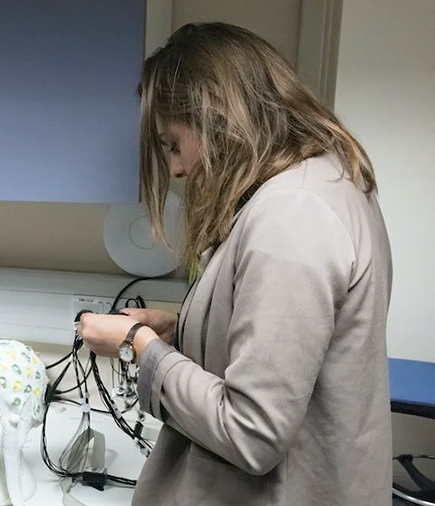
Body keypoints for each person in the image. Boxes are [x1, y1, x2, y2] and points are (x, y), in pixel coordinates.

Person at [78, 23, 392, 506]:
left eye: (172, 143)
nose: (177, 169)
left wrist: (139, 348)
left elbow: (252, 432)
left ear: (216, 117)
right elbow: (290, 345)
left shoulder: (293, 215)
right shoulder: (320, 183)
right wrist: (180, 331)